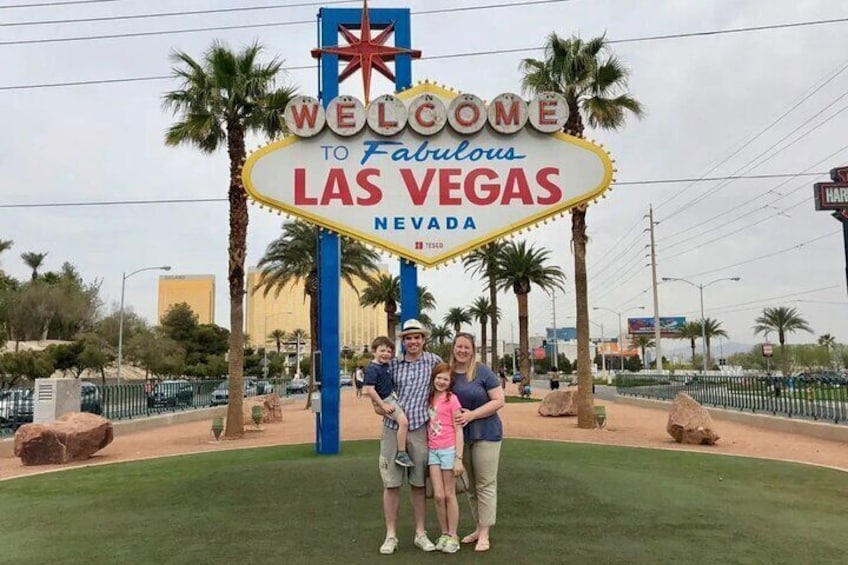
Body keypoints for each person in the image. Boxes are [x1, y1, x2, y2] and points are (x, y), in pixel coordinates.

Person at [377, 319, 443, 555]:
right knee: (392, 483)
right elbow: (378, 393)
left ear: (424, 339)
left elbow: (446, 386)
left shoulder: (435, 362)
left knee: (418, 483)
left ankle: (420, 533)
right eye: (408, 338)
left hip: (420, 429)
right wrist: (380, 407)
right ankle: (391, 535)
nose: (413, 341)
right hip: (392, 429)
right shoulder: (392, 365)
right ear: (402, 341)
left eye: (417, 337)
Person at [450, 332, 505, 553]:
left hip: (486, 434)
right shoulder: (449, 372)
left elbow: (499, 400)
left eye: (467, 347)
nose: (462, 350)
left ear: (473, 350)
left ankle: (485, 532)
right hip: (460, 438)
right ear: (453, 348)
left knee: (485, 484)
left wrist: (472, 415)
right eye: (459, 346)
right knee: (470, 486)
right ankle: (477, 527)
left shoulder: (482, 371)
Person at [427, 362, 465, 554]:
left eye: (445, 379)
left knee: (449, 494)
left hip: (449, 450)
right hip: (432, 450)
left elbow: (459, 429)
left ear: (450, 382)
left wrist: (459, 457)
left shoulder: (453, 400)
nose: (441, 382)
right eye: (439, 377)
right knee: (438, 495)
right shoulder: (429, 398)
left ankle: (453, 534)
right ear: (433, 378)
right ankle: (443, 532)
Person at [364, 336, 413, 468]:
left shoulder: (385, 365)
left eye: (389, 351)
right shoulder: (372, 369)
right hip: (386, 400)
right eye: (382, 350)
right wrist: (382, 405)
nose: (386, 354)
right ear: (374, 351)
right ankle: (402, 453)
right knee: (404, 422)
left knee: (402, 420)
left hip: (391, 397)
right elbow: (370, 389)